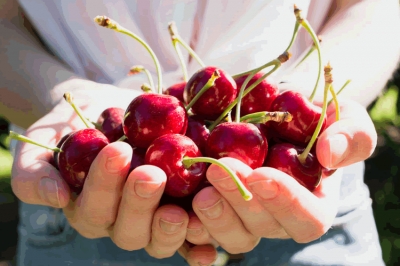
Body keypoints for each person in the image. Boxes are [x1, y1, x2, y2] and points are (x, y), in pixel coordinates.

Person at [1, 0, 399, 265]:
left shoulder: (266, 134)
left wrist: (317, 91)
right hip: (86, 196)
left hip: (304, 194)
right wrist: (59, 96)